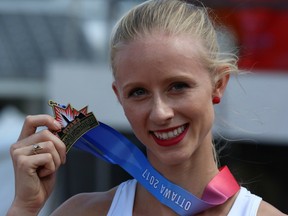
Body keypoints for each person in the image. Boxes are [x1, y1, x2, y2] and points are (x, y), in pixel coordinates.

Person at [7, 0, 286, 215]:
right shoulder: (83, 212)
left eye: (178, 86)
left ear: (219, 84)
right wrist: (24, 208)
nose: (160, 113)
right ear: (119, 97)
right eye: (138, 92)